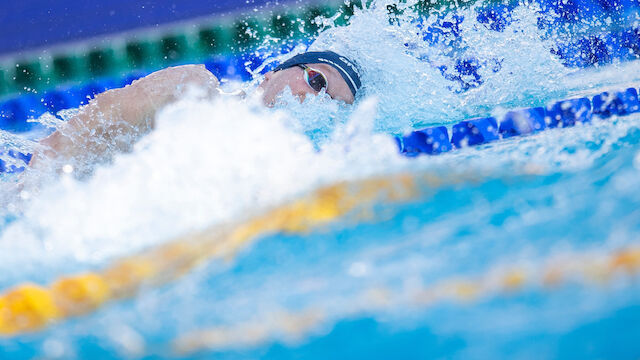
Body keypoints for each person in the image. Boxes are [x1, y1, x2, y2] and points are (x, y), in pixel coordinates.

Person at [27, 51, 362, 171]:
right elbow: (58, 150)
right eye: (317, 81)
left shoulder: (274, 167)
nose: (319, 101)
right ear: (270, 74)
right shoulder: (193, 89)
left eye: (334, 107)